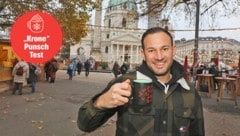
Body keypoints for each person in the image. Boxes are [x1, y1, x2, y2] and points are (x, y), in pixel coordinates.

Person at [77, 27, 205, 135]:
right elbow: (84, 125)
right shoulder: (124, 84)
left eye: (164, 49)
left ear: (173, 50)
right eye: (151, 50)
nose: (159, 56)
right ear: (143, 54)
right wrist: (101, 102)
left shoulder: (191, 93)